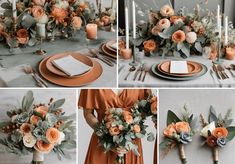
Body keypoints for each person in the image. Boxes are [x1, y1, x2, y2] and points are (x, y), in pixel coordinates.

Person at [78, 89, 150, 164]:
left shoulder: (139, 84)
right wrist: (105, 136)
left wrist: (130, 134)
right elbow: (88, 114)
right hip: (103, 141)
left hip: (130, 142)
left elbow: (144, 110)